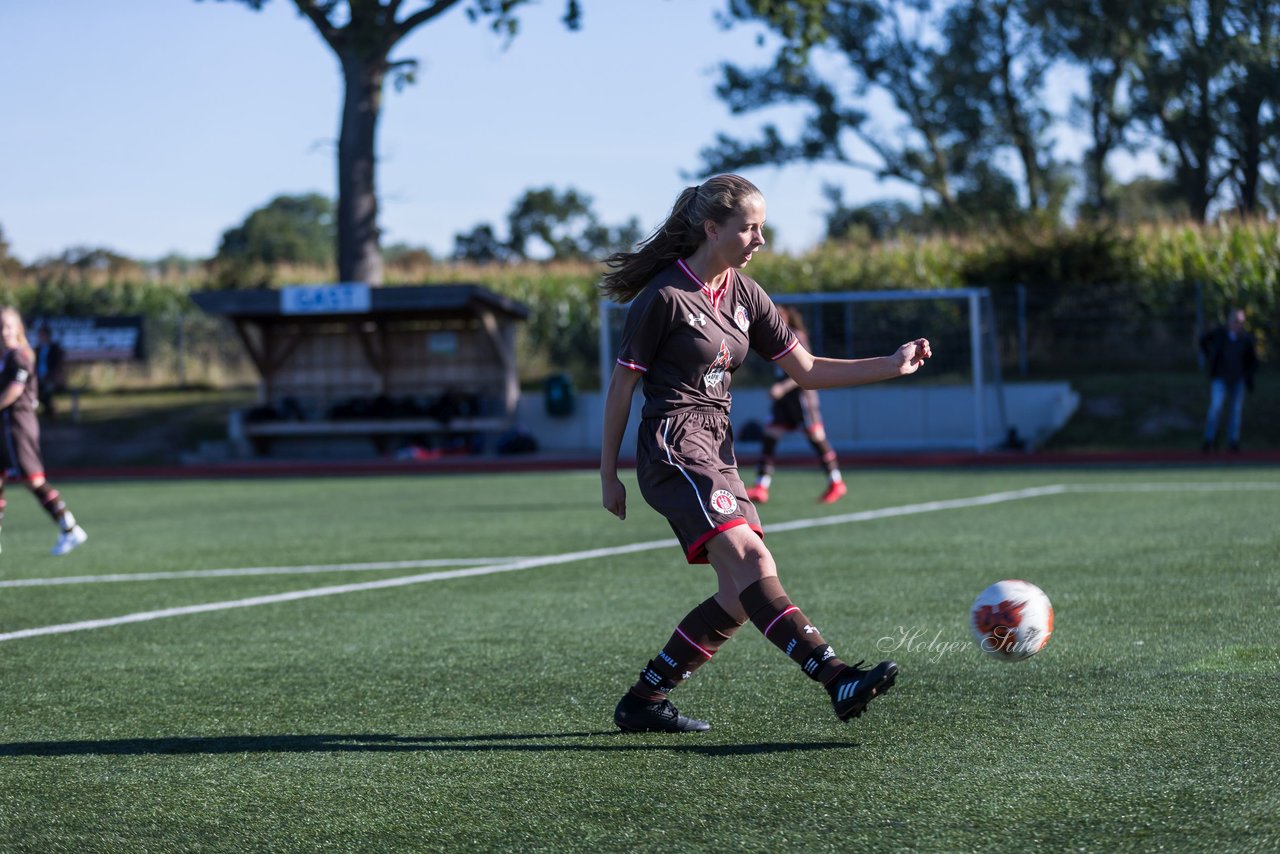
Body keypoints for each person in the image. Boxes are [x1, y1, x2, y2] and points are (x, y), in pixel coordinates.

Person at [599, 174, 931, 733]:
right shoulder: (663, 297)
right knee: (754, 566)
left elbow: (806, 371)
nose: (759, 239)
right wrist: (608, 475)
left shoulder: (747, 294)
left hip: (718, 448)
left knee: (738, 593)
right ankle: (836, 676)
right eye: (749, 227)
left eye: (763, 227)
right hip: (673, 447)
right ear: (712, 228)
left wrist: (891, 364)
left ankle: (644, 701)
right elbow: (620, 389)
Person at [0, 307, 88, 556]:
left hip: (17, 426)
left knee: (33, 479)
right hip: (4, 426)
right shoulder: (5, 357)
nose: (4, 332)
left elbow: (15, 391)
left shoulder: (19, 357)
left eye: (8, 326)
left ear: (18, 329)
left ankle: (70, 528)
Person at [745, 304, 848, 505]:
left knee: (816, 437)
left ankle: (836, 483)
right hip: (784, 402)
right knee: (770, 436)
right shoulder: (771, 336)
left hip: (801, 396)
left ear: (785, 316)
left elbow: (806, 370)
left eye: (778, 314)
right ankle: (761, 486)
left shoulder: (796, 335)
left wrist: (782, 388)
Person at [1199, 307, 1258, 453]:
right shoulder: (1220, 334)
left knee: (1235, 411)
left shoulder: (1245, 339)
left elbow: (1252, 360)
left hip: (1237, 379)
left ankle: (1233, 442)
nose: (1239, 325)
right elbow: (1203, 341)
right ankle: (1209, 440)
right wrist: (1210, 358)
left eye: (1242, 322)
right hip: (1220, 378)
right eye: (1237, 321)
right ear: (1230, 321)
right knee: (1216, 407)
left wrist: (1248, 377)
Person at [34, 325, 67, 421]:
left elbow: (58, 367)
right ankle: (50, 412)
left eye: (42, 335)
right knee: (35, 389)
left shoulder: (55, 349)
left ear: (48, 335)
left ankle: (50, 412)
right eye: (39, 335)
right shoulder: (37, 349)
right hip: (38, 379)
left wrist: (49, 377)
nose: (40, 337)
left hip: (53, 379)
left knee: (46, 389)